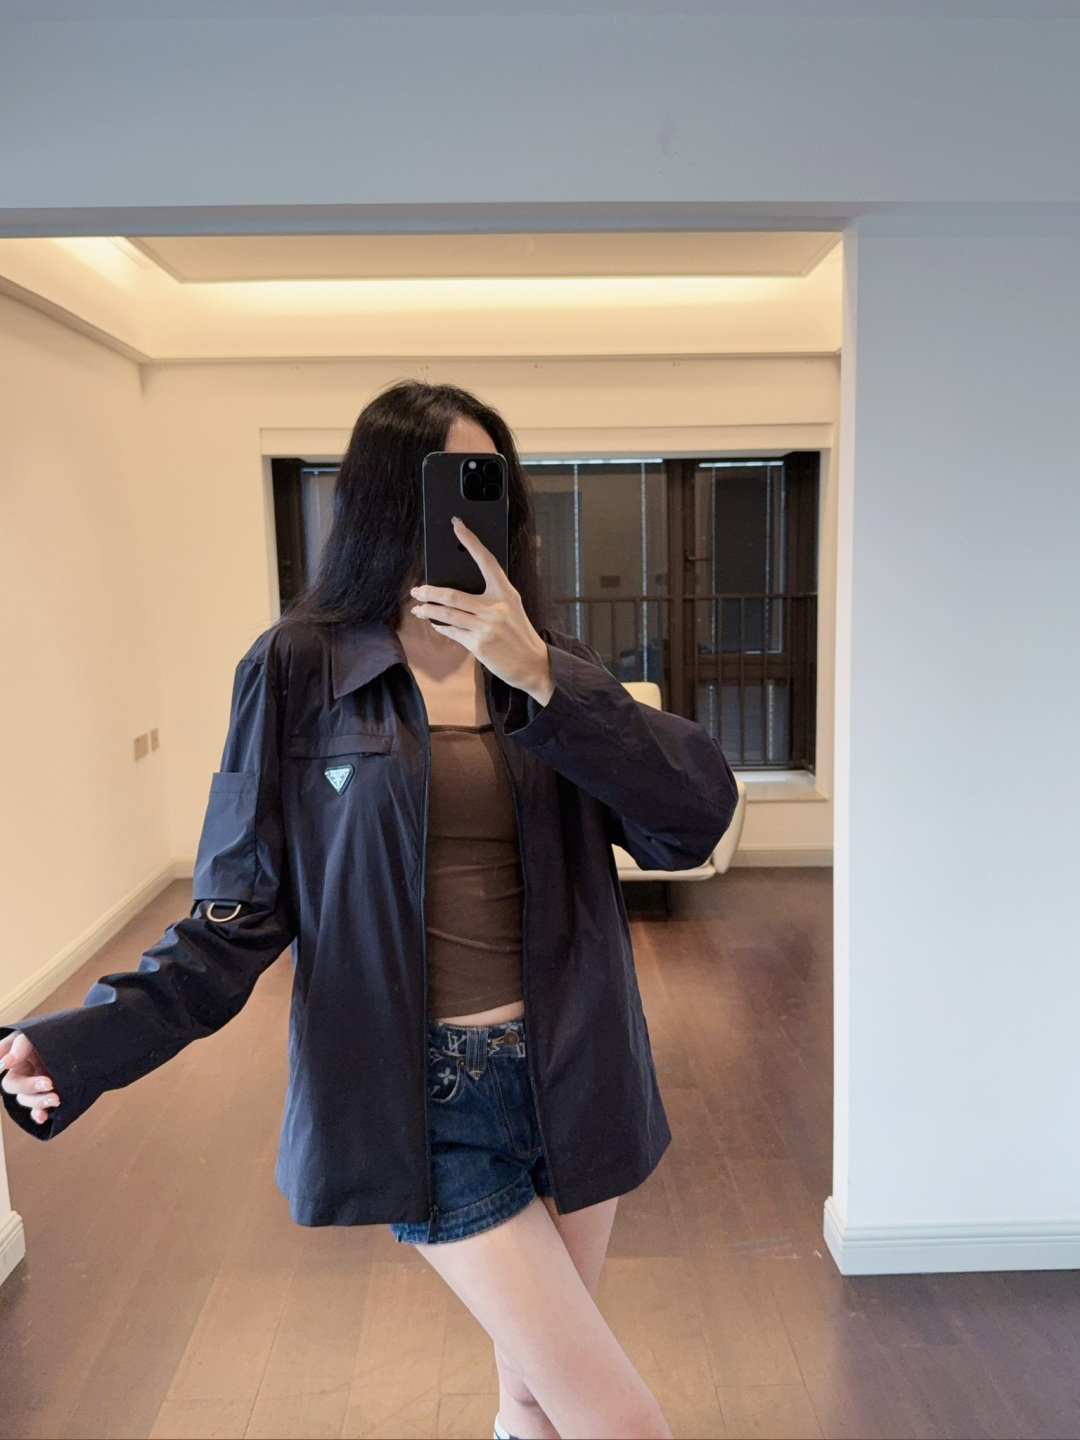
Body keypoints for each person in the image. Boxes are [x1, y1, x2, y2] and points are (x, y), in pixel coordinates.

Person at [0, 381, 739, 1440]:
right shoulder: (296, 668)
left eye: (491, 489)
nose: (473, 517)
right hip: (427, 1098)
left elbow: (691, 822)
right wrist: (87, 1042)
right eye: (447, 489)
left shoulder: (549, 664)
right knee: (620, 1420)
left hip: (577, 1070)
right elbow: (236, 911)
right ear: (386, 504)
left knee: (534, 1397)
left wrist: (544, 680)